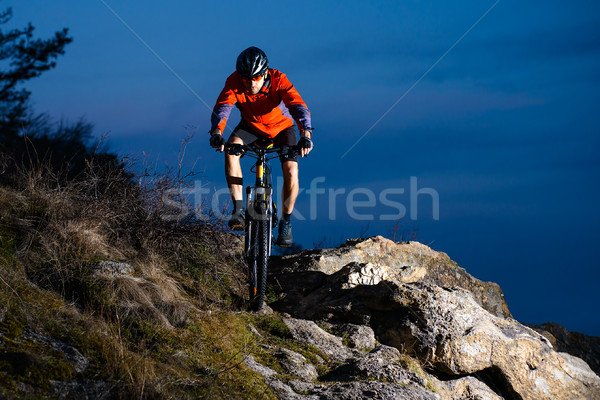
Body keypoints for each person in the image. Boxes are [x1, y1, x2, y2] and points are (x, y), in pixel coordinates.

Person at [209, 46, 313, 246]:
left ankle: (286, 222)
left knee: (291, 170)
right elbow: (223, 108)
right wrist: (216, 133)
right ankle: (238, 209)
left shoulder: (279, 80)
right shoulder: (234, 81)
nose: (250, 83)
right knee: (231, 150)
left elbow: (298, 107)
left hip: (282, 128)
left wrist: (306, 134)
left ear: (265, 73)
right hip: (251, 127)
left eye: (255, 78)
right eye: (246, 78)